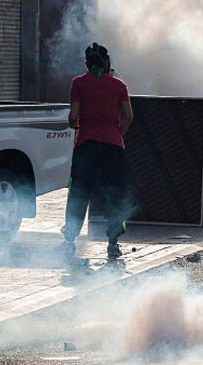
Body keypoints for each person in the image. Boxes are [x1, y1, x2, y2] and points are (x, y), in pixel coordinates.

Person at [58, 43, 134, 261]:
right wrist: (116, 133)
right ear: (107, 63)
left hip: (86, 145)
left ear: (86, 64)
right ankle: (112, 243)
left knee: (79, 192)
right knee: (115, 193)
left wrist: (77, 123)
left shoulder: (78, 83)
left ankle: (70, 239)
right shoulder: (119, 85)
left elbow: (73, 117)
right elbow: (128, 115)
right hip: (114, 147)